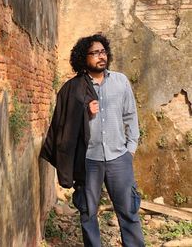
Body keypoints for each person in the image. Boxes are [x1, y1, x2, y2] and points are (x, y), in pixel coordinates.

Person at [40, 34, 145, 246]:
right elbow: (64, 123)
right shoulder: (74, 88)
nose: (101, 56)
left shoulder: (120, 81)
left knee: (128, 211)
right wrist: (84, 112)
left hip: (119, 158)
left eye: (103, 51)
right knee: (88, 213)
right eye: (95, 53)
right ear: (83, 57)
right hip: (89, 160)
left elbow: (130, 116)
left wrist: (130, 149)